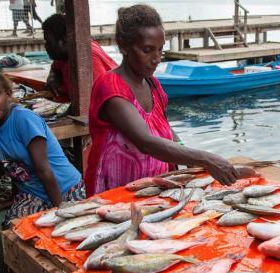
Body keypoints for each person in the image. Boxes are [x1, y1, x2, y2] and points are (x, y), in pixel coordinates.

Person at [85, 4, 239, 195]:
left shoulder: (153, 85)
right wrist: (206, 159)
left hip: (154, 191)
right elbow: (146, 142)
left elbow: (163, 129)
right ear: (123, 46)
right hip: (113, 194)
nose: (156, 58)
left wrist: (187, 156)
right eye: (147, 50)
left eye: (160, 50)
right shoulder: (110, 87)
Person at [0, 67, 86, 228]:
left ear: (8, 94)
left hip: (63, 190)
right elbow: (13, 166)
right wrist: (17, 198)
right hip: (34, 193)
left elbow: (44, 171)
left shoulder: (25, 120)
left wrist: (58, 211)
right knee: (13, 229)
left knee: (64, 233)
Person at [42, 13, 118, 102]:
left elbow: (100, 99)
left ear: (64, 39)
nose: (46, 46)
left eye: (48, 42)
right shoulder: (64, 54)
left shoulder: (87, 59)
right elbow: (55, 68)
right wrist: (52, 78)